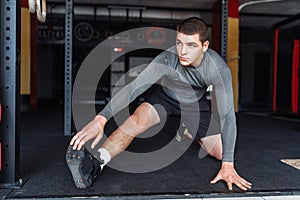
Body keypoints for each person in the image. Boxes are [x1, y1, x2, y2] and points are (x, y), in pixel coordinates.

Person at [66, 17, 252, 191]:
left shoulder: (217, 68)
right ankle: (96, 162)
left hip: (194, 104)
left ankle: (187, 131)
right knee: (136, 121)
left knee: (220, 153)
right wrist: (102, 118)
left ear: (205, 46)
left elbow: (227, 115)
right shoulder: (167, 59)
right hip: (165, 98)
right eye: (179, 43)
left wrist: (228, 164)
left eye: (191, 45)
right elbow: (134, 88)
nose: (183, 51)